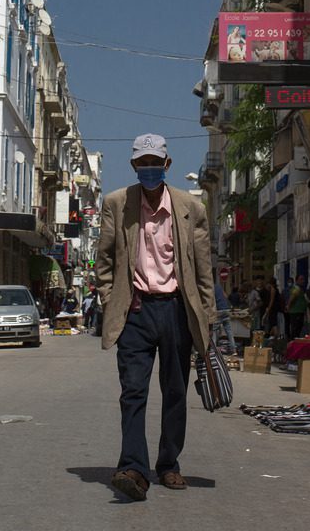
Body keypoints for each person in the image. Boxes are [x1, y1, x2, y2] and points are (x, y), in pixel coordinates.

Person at [95, 133, 216, 502]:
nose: (149, 169)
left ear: (167, 165)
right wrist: (110, 299)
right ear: (134, 166)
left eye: (155, 163)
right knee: (132, 391)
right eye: (142, 163)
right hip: (134, 310)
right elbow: (104, 262)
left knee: (176, 391)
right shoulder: (117, 203)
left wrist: (207, 317)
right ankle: (133, 466)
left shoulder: (190, 207)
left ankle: (168, 465)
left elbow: (202, 266)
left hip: (177, 309)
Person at [212, 270, 236, 355]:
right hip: (226, 309)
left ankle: (213, 350)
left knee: (214, 330)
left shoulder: (210, 288)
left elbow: (210, 301)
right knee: (229, 330)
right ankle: (233, 350)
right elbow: (225, 296)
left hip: (219, 310)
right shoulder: (218, 286)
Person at [285, 274, 308, 340]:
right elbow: (292, 297)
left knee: (297, 329)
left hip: (299, 311)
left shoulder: (299, 289)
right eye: (301, 279)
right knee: (295, 330)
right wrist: (288, 306)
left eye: (303, 279)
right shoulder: (297, 288)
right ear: (297, 280)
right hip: (296, 312)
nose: (303, 281)